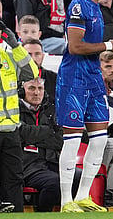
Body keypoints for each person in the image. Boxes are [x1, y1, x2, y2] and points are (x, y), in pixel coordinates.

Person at [56, 0, 113, 213]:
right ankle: (65, 201)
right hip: (73, 78)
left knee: (99, 139)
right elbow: (75, 46)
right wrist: (107, 46)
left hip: (94, 78)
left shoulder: (94, 7)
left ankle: (83, 196)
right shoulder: (78, 5)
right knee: (72, 141)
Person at [0, 13, 38, 212]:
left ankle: (16, 213)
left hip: (12, 130)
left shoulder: (9, 56)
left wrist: (16, 46)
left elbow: (31, 73)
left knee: (14, 178)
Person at [19, 77, 81, 212]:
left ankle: (63, 210)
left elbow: (60, 140)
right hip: (29, 166)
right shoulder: (15, 110)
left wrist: (34, 138)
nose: (36, 93)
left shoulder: (51, 109)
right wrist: (49, 131)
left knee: (77, 175)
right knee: (53, 182)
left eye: (40, 88)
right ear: (22, 91)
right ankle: (43, 214)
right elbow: (22, 135)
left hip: (52, 161)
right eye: (31, 88)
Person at [22, 39, 57, 104]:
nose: (33, 59)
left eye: (37, 54)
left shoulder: (54, 79)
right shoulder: (12, 78)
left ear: (43, 56)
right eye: (28, 55)